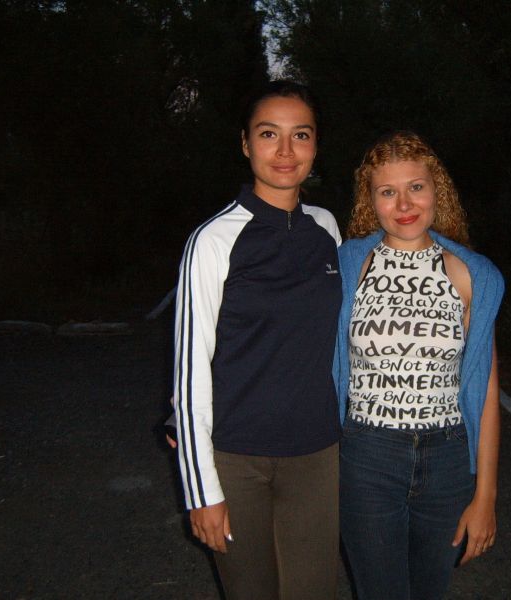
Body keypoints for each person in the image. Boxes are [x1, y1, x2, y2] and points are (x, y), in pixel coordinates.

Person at [173, 80, 342, 600]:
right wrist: (201, 489)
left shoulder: (326, 228)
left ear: (316, 145)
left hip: (317, 454)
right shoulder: (214, 240)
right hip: (236, 458)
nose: (286, 151)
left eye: (301, 135)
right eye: (269, 134)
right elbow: (190, 367)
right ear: (246, 144)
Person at [333, 131, 504, 600]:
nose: (404, 204)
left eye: (416, 187)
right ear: (370, 201)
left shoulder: (472, 275)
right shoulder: (348, 267)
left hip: (447, 460)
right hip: (367, 455)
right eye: (387, 191)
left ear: (437, 190)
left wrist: (485, 496)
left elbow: (486, 390)